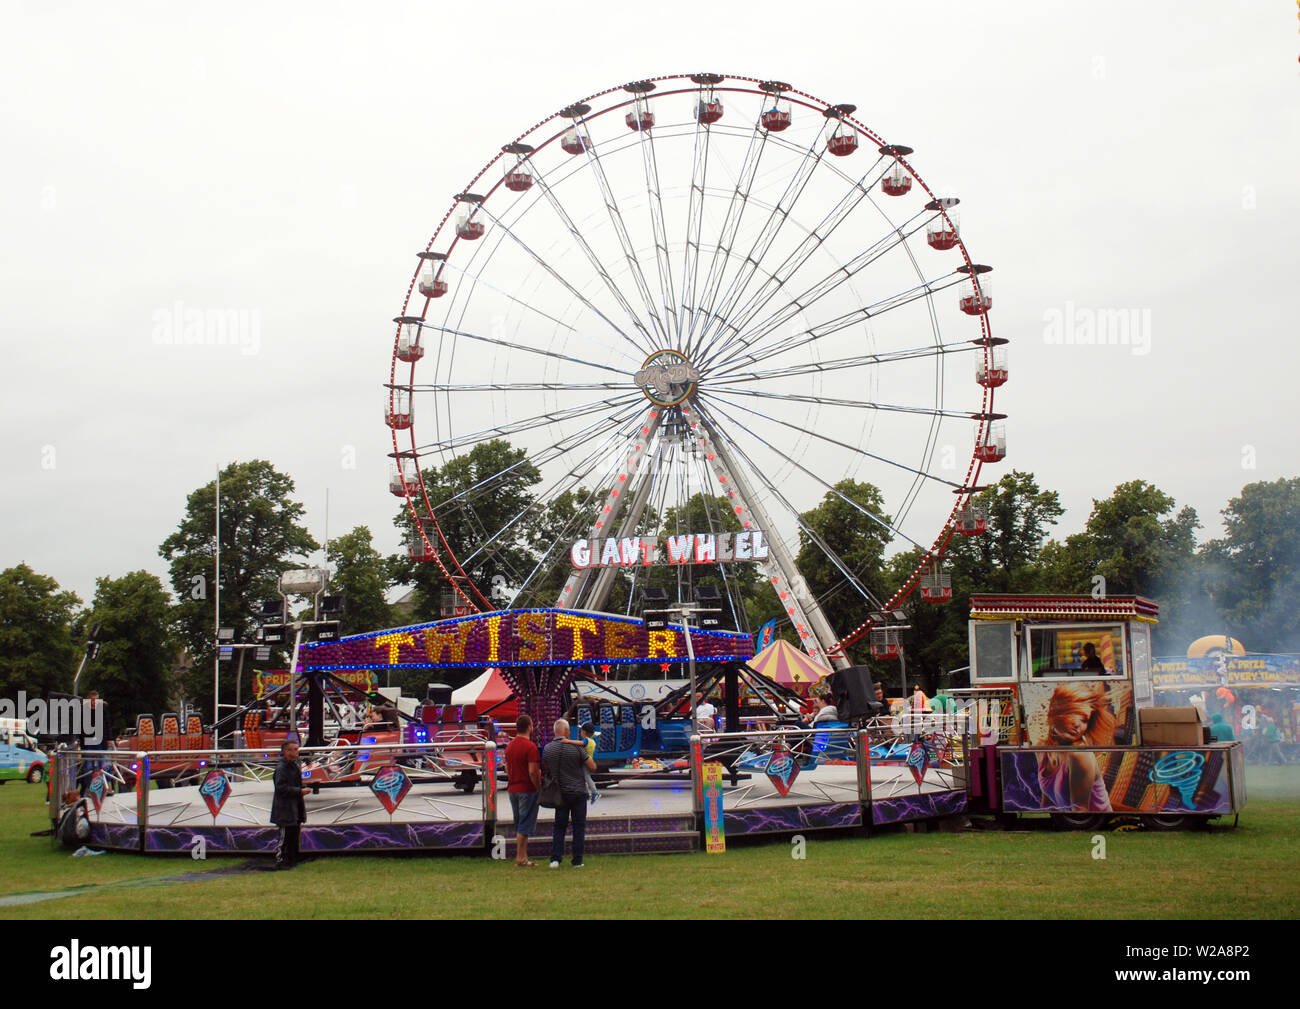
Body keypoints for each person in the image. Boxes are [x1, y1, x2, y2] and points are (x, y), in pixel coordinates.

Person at [1036, 682, 1115, 813]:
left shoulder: (1079, 754)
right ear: (1057, 710)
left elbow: (1080, 811)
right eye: (1074, 713)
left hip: (1093, 824)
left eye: (1085, 720)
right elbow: (1048, 803)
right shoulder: (1042, 750)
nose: (1078, 725)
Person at [543, 718, 597, 868]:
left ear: (555, 731)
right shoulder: (576, 748)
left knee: (559, 826)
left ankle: (555, 859)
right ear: (566, 732)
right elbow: (592, 767)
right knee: (579, 826)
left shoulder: (548, 749)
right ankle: (577, 860)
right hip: (578, 791)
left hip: (560, 793)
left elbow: (545, 767)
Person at [504, 714, 541, 866]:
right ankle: (520, 857)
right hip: (527, 788)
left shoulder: (510, 746)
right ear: (529, 727)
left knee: (519, 822)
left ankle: (523, 856)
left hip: (513, 788)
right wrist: (538, 786)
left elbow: (506, 767)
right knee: (525, 824)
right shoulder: (530, 747)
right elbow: (532, 771)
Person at [271, 740, 311, 869]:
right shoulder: (281, 768)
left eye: (297, 749)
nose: (296, 751)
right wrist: (299, 791)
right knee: (286, 834)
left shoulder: (294, 765)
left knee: (294, 833)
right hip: (284, 808)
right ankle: (280, 859)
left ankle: (293, 858)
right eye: (294, 749)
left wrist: (302, 789)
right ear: (286, 751)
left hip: (294, 806)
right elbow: (280, 788)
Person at [564, 722, 600, 803]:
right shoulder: (593, 741)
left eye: (581, 731)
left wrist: (568, 741)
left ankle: (595, 792)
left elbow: (580, 743)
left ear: (583, 732)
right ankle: (587, 793)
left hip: (585, 762)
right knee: (584, 778)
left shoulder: (586, 740)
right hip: (589, 761)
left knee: (586, 777)